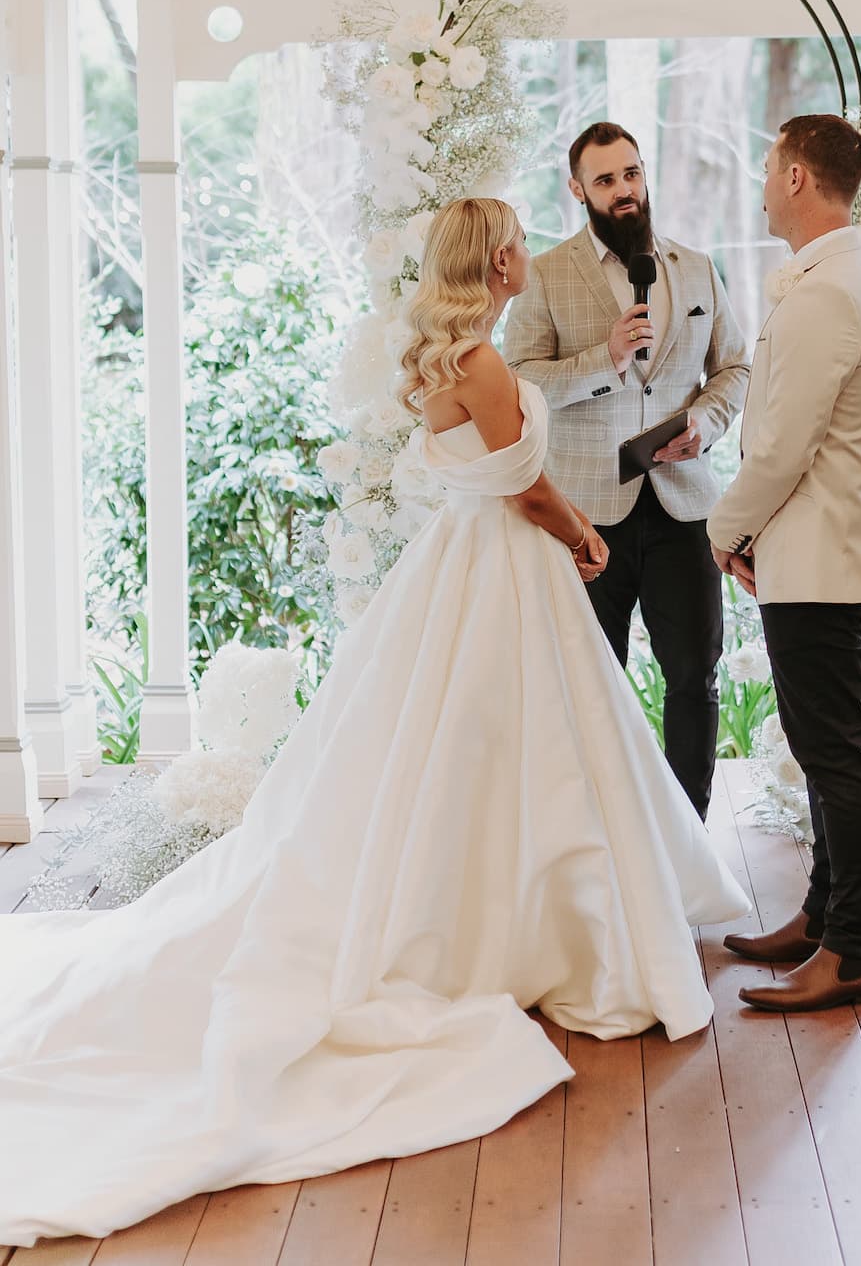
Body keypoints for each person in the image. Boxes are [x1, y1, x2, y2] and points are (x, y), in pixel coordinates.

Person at [0, 197, 748, 1247]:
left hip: (461, 564)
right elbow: (525, 484)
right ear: (497, 261)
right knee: (518, 744)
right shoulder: (481, 367)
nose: (532, 251)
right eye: (521, 238)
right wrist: (581, 534)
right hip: (505, 562)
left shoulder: (448, 361)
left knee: (472, 746)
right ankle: (531, 924)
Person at [708, 115, 861, 1013]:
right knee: (830, 751)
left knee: (836, 759)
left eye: (767, 161)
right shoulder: (834, 281)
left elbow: (785, 445)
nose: (761, 174)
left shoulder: (828, 293)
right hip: (815, 550)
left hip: (824, 559)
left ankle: (854, 951)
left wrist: (725, 529)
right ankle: (824, 921)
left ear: (796, 177)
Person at [504, 122, 749, 819]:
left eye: (632, 174)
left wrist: (707, 422)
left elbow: (733, 367)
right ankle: (599, 840)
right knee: (587, 686)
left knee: (694, 681)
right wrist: (603, 359)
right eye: (606, 180)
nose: (623, 191)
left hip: (684, 507)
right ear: (577, 189)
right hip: (586, 516)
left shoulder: (696, 268)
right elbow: (520, 382)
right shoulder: (546, 275)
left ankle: (689, 842)